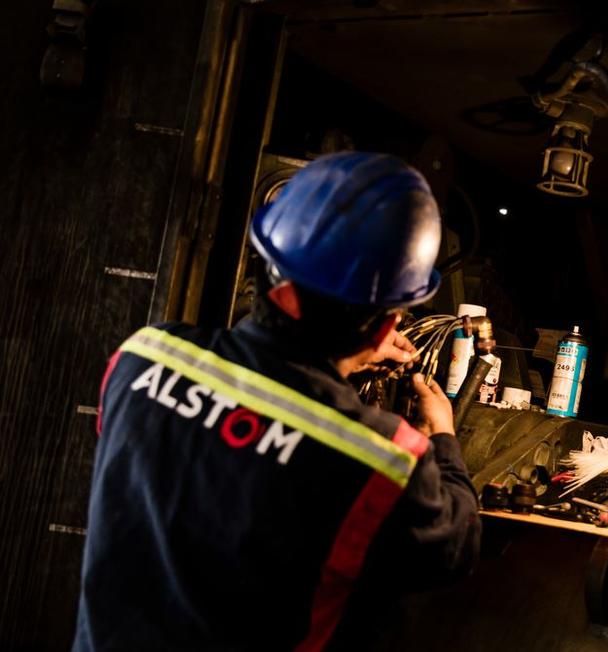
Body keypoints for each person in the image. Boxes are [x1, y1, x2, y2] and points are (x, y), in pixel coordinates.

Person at [73, 152, 481, 650]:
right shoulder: (384, 458)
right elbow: (452, 550)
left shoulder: (143, 358)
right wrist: (443, 437)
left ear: (266, 267)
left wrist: (341, 367)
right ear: (386, 324)